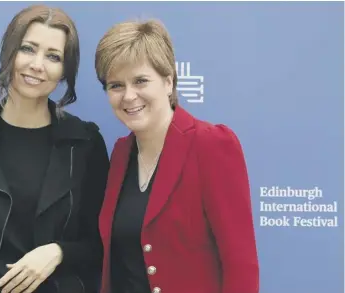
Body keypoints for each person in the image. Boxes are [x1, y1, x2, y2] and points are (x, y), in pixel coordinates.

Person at [0, 4, 110, 293]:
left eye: (53, 56)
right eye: (28, 49)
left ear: (65, 70)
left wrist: (59, 252)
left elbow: (102, 243)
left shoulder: (85, 143)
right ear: (9, 52)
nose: (37, 65)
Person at [94, 19, 259, 293]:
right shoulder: (121, 153)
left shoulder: (211, 144)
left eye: (140, 81)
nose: (128, 95)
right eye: (116, 85)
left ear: (168, 81)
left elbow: (240, 264)